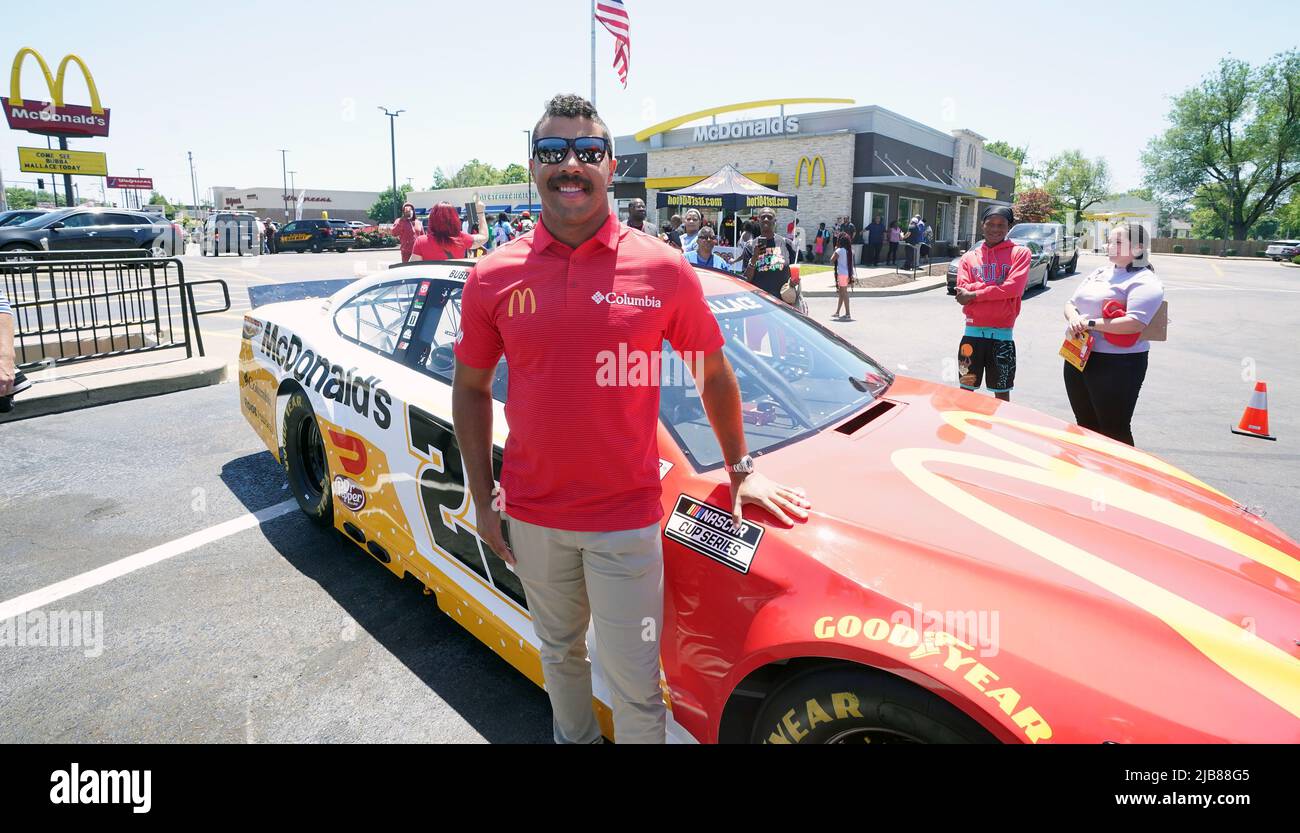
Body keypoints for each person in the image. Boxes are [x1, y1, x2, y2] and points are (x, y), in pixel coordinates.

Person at [452, 93, 811, 746]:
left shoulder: (661, 267)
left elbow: (713, 370)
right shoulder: (492, 276)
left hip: (625, 521)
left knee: (636, 686)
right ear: (533, 166)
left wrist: (741, 468)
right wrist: (483, 499)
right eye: (555, 152)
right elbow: (471, 388)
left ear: (611, 166)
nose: (572, 165)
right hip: (533, 515)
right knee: (560, 656)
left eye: (588, 152)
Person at [1062, 222, 1164, 446]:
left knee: (1113, 428)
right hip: (1079, 356)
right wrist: (1074, 318)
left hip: (1118, 364)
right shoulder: (1100, 272)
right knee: (1085, 423)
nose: (1109, 246)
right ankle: (1089, 473)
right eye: (1109, 241)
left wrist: (1088, 323)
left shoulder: (1144, 280)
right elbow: (1070, 303)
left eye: (1118, 242)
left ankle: (1122, 477)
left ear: (1137, 249)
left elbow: (1134, 323)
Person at [952, 206, 1031, 402]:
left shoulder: (1020, 254)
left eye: (1001, 225)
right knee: (965, 391)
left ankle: (998, 430)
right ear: (982, 225)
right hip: (972, 336)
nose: (995, 229)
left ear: (1009, 227)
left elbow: (1014, 289)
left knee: (1002, 394)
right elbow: (962, 293)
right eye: (990, 224)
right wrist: (997, 288)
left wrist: (975, 292)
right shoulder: (969, 258)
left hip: (1002, 338)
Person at [741, 206, 799, 302]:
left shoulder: (786, 243)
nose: (766, 220)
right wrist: (755, 258)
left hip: (783, 302)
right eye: (763, 217)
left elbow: (794, 272)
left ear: (775, 221)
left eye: (770, 217)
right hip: (759, 301)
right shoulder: (750, 246)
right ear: (758, 221)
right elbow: (746, 279)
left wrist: (793, 282)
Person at [411, 201, 489, 260]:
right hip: (453, 281)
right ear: (454, 218)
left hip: (430, 281)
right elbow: (484, 237)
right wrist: (480, 212)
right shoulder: (462, 238)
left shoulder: (420, 242)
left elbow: (412, 269)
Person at [831, 232, 855, 321]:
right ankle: (837, 312)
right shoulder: (850, 251)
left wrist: (835, 249)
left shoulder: (839, 250)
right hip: (848, 274)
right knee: (841, 293)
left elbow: (832, 260)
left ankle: (848, 313)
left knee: (844, 293)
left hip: (841, 274)